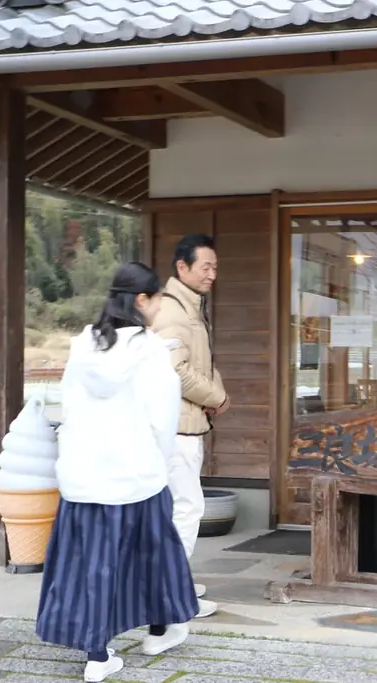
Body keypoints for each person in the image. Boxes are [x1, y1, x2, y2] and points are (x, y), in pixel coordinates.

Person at [35, 262, 199, 683]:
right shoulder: (151, 353)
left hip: (83, 478)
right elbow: (162, 422)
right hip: (136, 476)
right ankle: (160, 630)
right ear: (142, 301)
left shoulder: (82, 347)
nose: (161, 303)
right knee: (155, 556)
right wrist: (157, 465)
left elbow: (69, 412)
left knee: (92, 565)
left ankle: (96, 654)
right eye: (158, 296)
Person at [152, 234, 228, 619]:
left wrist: (216, 392)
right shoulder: (172, 311)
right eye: (206, 267)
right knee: (186, 507)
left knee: (179, 508)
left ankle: (173, 581)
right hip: (176, 428)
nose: (213, 274)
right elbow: (175, 370)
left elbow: (201, 362)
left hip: (186, 423)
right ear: (182, 267)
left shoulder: (191, 307)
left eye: (215, 267)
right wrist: (215, 398)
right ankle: (171, 595)